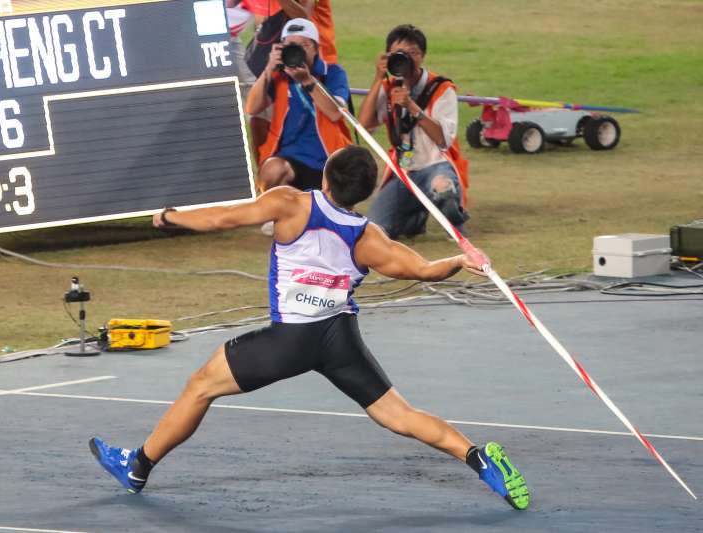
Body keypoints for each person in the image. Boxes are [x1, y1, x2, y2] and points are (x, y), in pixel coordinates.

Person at [89, 146, 530, 511]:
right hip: (338, 337)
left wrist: (170, 217)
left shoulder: (289, 203)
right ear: (366, 192)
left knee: (201, 386)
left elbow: (222, 219)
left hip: (290, 340)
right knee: (399, 416)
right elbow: (424, 269)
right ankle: (479, 459)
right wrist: (459, 260)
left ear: (324, 178)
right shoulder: (369, 237)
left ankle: (138, 466)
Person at [358, 24, 470, 239]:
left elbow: (443, 139)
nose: (407, 59)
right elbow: (364, 126)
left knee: (443, 188)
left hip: (437, 165)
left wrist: (412, 107)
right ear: (389, 56)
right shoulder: (390, 86)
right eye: (400, 54)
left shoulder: (441, 88)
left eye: (413, 53)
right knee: (376, 230)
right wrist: (377, 77)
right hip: (405, 171)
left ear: (423, 55)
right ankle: (414, 219)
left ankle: (455, 223)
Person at [245, 18, 352, 196]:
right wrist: (268, 69)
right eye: (291, 46)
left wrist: (307, 81)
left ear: (316, 48)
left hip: (329, 159)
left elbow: (335, 113)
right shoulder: (279, 75)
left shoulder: (332, 72)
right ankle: (275, 215)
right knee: (272, 170)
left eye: (304, 45)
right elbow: (252, 108)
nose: (298, 51)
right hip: (290, 158)